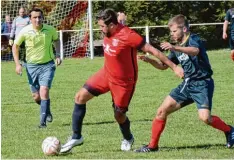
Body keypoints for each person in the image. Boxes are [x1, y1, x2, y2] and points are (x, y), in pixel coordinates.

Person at [60, 8, 184, 153]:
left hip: (124, 83)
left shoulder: (129, 35)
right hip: (106, 74)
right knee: (79, 97)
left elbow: (154, 51)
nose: (100, 29)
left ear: (112, 25)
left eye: (102, 26)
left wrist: (174, 67)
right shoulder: (111, 28)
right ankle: (76, 136)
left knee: (119, 115)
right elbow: (119, 23)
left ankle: (128, 137)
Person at [135, 14, 234, 152]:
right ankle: (152, 146)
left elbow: (195, 51)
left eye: (175, 31)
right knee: (161, 111)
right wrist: (150, 60)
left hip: (202, 84)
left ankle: (230, 131)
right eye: (171, 31)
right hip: (187, 85)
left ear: (185, 29)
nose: (172, 34)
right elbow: (163, 66)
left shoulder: (193, 39)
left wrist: (174, 48)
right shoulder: (176, 48)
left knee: (205, 118)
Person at [12, 8, 62, 128]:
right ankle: (47, 111)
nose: (37, 19)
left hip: (48, 65)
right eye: (35, 17)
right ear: (30, 19)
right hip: (31, 67)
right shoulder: (25, 31)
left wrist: (58, 55)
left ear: (43, 18)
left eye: (40, 17)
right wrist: (17, 64)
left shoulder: (50, 30)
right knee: (36, 96)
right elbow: (15, 46)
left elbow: (57, 40)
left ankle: (42, 122)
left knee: (44, 90)